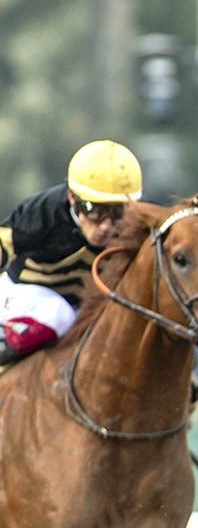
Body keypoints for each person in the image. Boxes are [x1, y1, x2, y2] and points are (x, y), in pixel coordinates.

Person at [0, 139, 143, 364]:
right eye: (94, 210)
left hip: (79, 307)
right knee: (59, 314)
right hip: (21, 296)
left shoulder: (135, 228)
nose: (106, 226)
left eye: (118, 212)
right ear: (72, 198)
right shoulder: (44, 212)